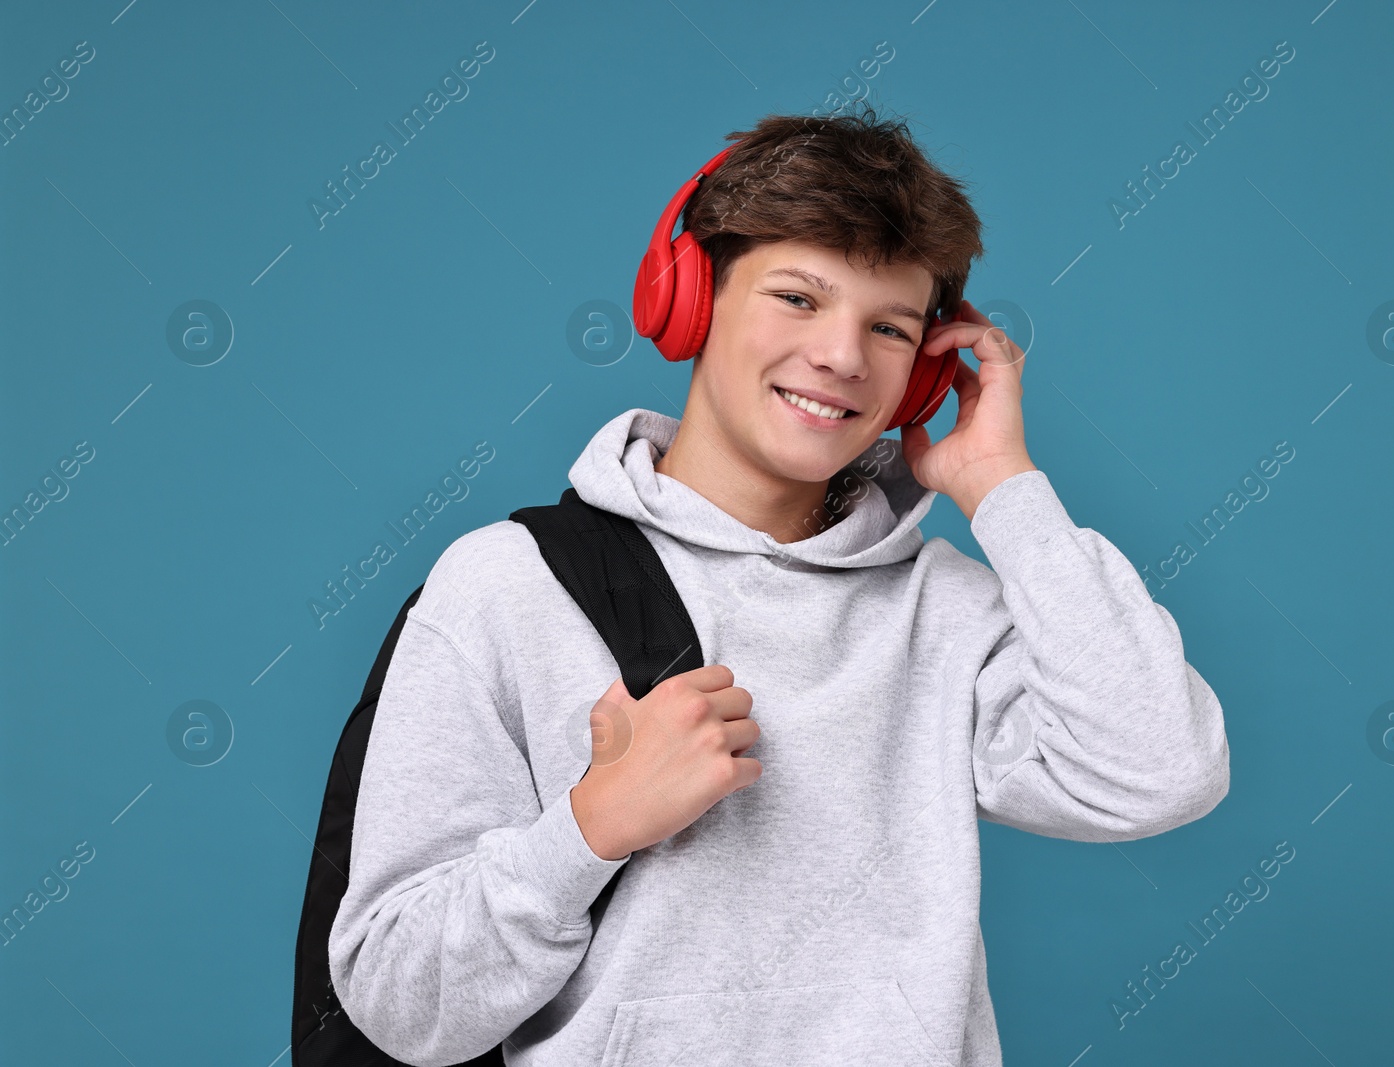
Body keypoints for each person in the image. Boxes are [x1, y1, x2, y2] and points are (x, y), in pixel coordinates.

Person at [329, 105, 1230, 1067]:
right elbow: (400, 1000)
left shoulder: (947, 613)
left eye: (888, 325)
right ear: (689, 299)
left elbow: (1160, 772)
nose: (842, 356)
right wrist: (590, 830)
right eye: (798, 298)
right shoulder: (510, 587)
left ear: (925, 375)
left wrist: (1003, 488)